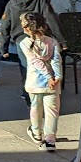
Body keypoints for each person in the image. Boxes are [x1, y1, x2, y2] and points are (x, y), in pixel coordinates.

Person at [18, 12, 63, 151]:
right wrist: (57, 77)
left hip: (35, 83)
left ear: (26, 28)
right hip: (53, 84)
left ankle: (37, 133)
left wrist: (49, 77)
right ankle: (50, 139)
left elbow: (35, 62)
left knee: (35, 108)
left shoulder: (24, 43)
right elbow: (56, 60)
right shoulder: (52, 41)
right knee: (52, 111)